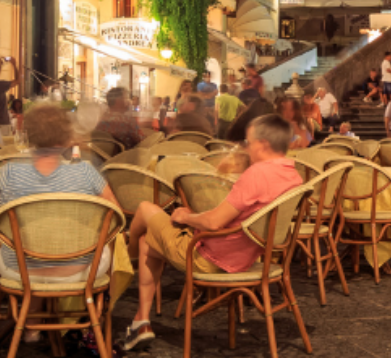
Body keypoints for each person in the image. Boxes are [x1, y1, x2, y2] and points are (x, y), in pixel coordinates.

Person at [123, 115, 302, 352]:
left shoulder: (257, 174)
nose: (246, 148)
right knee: (150, 241)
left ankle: (126, 258)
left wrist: (185, 216)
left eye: (248, 143)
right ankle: (140, 322)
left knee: (146, 209)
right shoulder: (293, 175)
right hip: (248, 256)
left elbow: (215, 223)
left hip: (210, 259)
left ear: (262, 144)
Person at [0, 103, 120, 289]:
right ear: (66, 137)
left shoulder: (6, 173)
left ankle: (29, 309)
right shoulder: (86, 172)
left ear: (28, 136)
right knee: (102, 245)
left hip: (19, 271)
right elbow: (115, 214)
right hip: (80, 270)